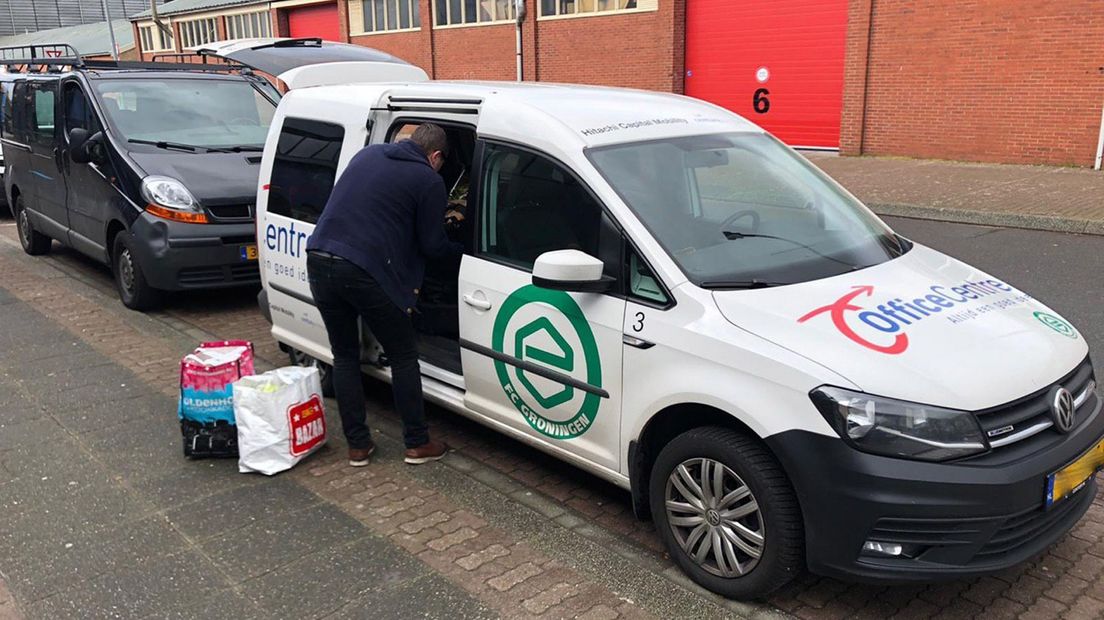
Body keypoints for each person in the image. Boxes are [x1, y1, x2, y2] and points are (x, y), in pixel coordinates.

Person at [306, 124, 462, 467]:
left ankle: (358, 447)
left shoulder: (367, 154)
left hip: (319, 257)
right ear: (435, 157)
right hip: (363, 270)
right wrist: (462, 253)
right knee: (403, 355)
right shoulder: (429, 180)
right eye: (441, 161)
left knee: (344, 355)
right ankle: (417, 443)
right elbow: (433, 246)